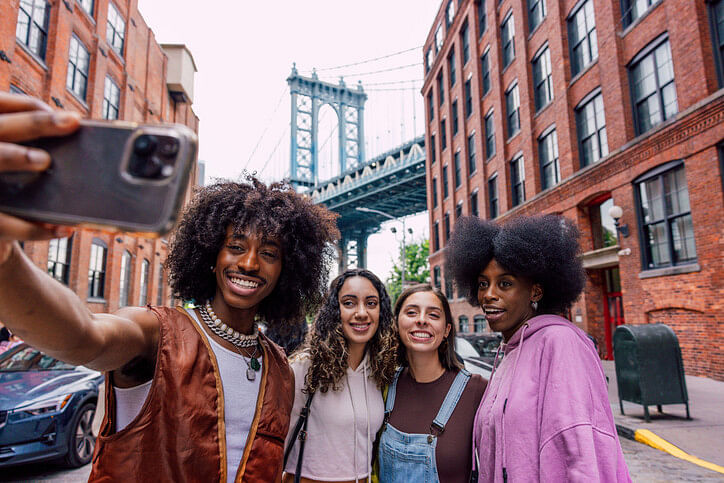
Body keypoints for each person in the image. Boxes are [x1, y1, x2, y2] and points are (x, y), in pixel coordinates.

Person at [0, 92, 340, 481]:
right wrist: (5, 259)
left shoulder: (281, 367)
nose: (248, 262)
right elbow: (83, 337)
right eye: (235, 247)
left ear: (287, 270)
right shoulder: (156, 334)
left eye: (268, 252)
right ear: (211, 255)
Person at [445, 215, 631, 482]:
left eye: (505, 283)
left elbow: (578, 450)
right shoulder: (509, 352)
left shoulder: (560, 342)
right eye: (483, 283)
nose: (488, 294)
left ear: (535, 292)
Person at [284, 269, 398, 483]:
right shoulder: (304, 367)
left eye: (371, 303)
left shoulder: (379, 372)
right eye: (349, 303)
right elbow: (274, 442)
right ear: (334, 311)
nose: (362, 312)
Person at [377, 284, 487, 482]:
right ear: (396, 323)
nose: (421, 320)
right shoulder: (384, 386)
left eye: (433, 315)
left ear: (446, 330)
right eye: (411, 312)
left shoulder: (476, 391)